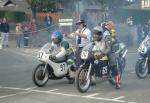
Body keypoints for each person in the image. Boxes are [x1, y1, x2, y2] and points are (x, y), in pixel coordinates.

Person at [103, 21, 121, 89]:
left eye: (113, 26)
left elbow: (115, 40)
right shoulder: (104, 31)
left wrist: (114, 41)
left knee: (113, 65)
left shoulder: (111, 32)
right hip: (103, 49)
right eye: (112, 26)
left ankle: (117, 83)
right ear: (109, 25)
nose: (113, 27)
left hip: (110, 51)